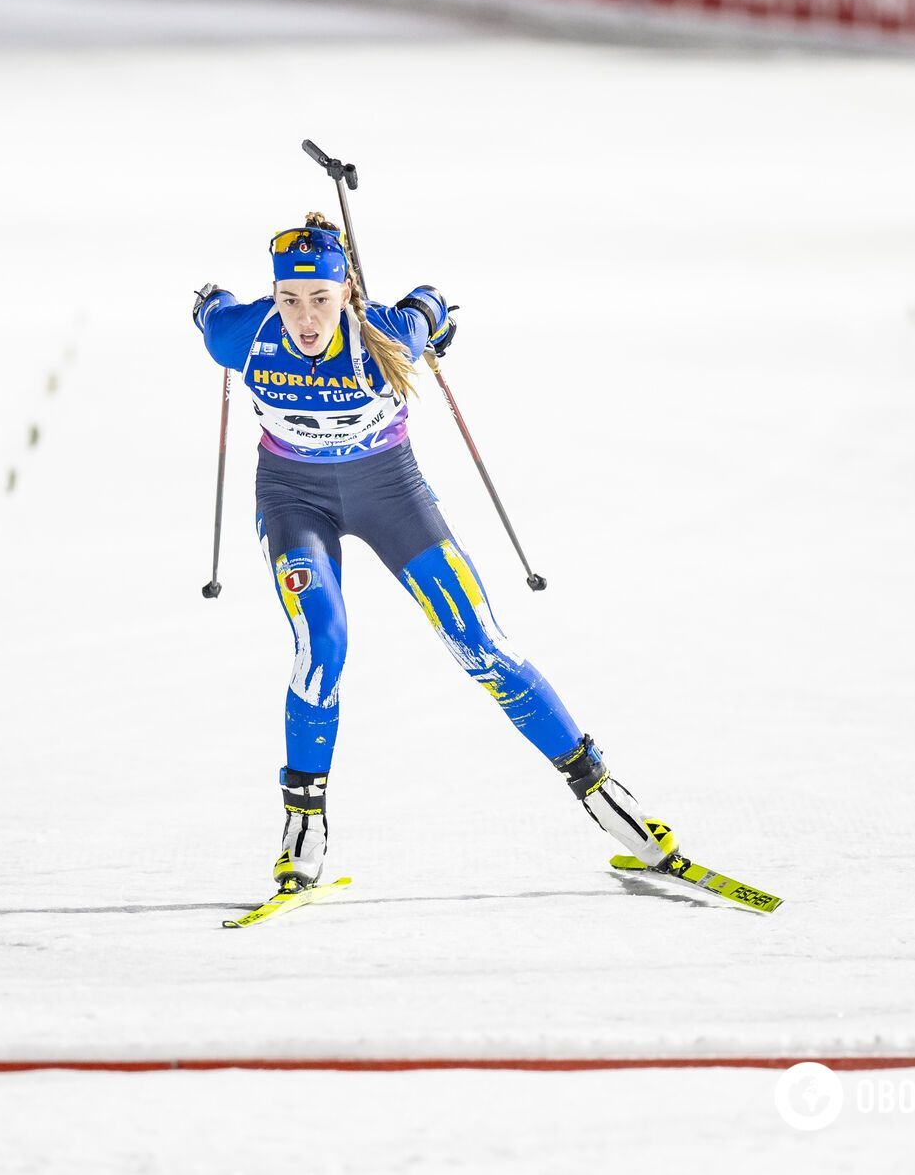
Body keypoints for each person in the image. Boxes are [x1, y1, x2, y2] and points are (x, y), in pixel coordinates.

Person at [192, 213, 677, 894]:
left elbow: (428, 301)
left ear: (347, 294)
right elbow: (211, 313)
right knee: (321, 647)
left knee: (480, 642)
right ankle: (303, 825)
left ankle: (607, 797)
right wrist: (206, 301)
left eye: (321, 300)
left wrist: (439, 318)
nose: (304, 318)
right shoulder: (243, 337)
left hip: (389, 493)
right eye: (290, 299)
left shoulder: (385, 335)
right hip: (294, 498)